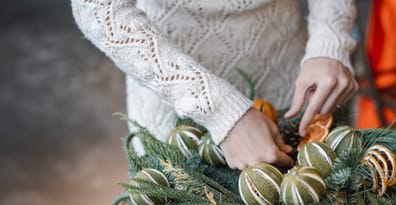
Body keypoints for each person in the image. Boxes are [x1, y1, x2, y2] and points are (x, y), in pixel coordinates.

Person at [70, 0, 359, 170]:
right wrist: (217, 109)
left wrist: (330, 38)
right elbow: (99, 9)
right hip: (178, 116)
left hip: (299, 93)